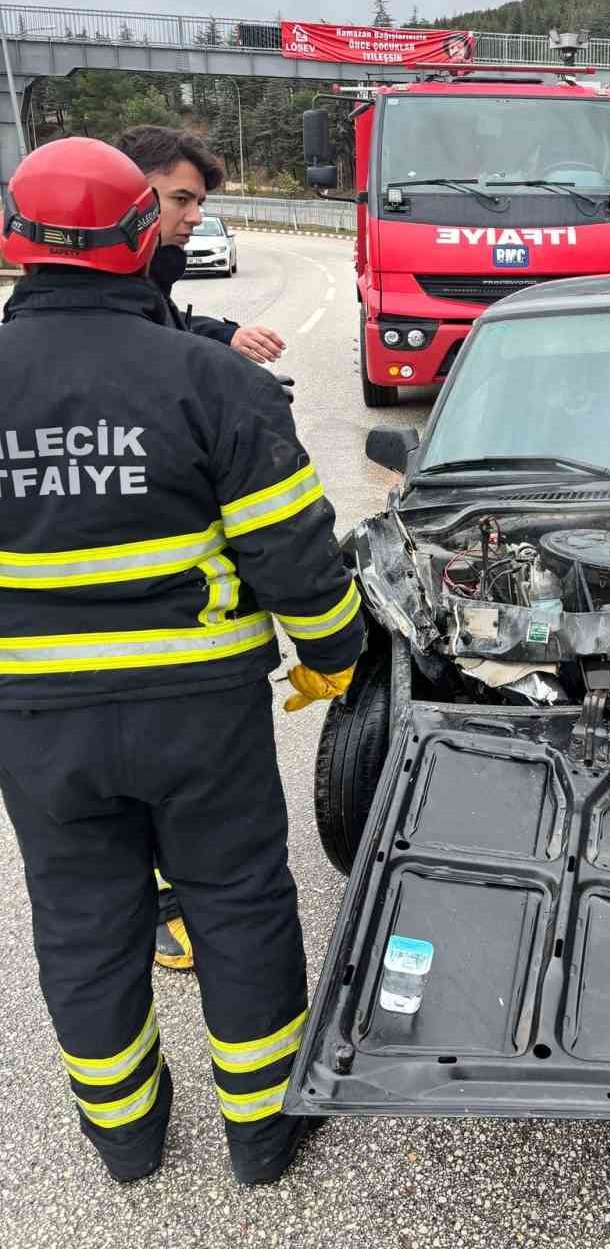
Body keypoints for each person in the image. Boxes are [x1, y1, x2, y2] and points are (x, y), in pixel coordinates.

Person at [0, 137, 365, 1186]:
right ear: (135, 236)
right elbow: (294, 553)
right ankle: (261, 1135)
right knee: (240, 901)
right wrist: (339, 656)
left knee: (80, 921)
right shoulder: (211, 381)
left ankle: (125, 1140)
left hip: (38, 727)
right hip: (200, 718)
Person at [116, 125, 285, 967]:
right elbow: (138, 351)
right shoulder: (89, 298)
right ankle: (157, 907)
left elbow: (161, 325)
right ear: (128, 193)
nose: (191, 217)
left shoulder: (144, 278)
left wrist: (218, 343)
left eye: (198, 203)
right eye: (179, 199)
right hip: (138, 637)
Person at [115, 124, 285, 362]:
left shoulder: (136, 281)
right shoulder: (97, 287)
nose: (196, 218)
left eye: (199, 203)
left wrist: (227, 335)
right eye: (181, 199)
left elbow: (159, 320)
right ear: (129, 198)